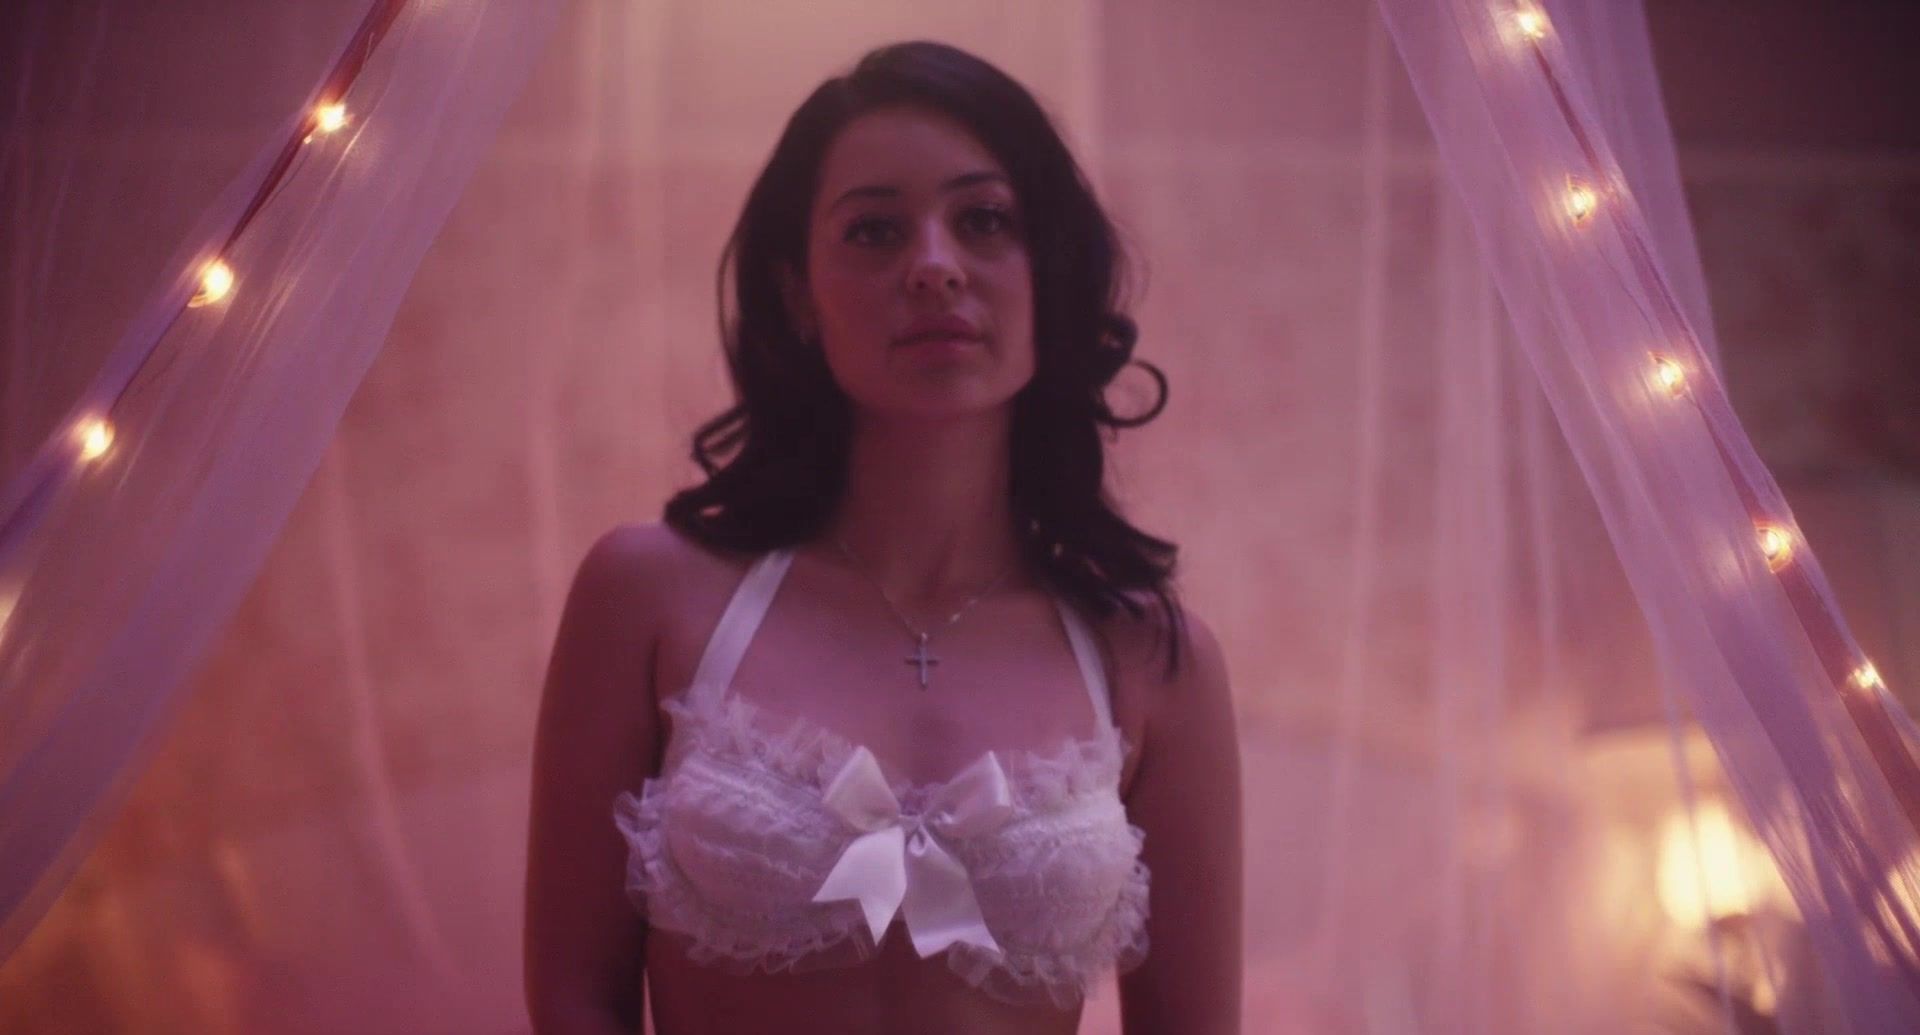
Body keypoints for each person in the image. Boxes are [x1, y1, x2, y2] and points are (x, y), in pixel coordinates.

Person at [524, 40, 1241, 1035]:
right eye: (874, 231)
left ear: (1052, 272)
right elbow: (575, 999)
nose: (935, 267)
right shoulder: (649, 596)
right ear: (796, 292)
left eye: (984, 220)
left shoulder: (1153, 660)